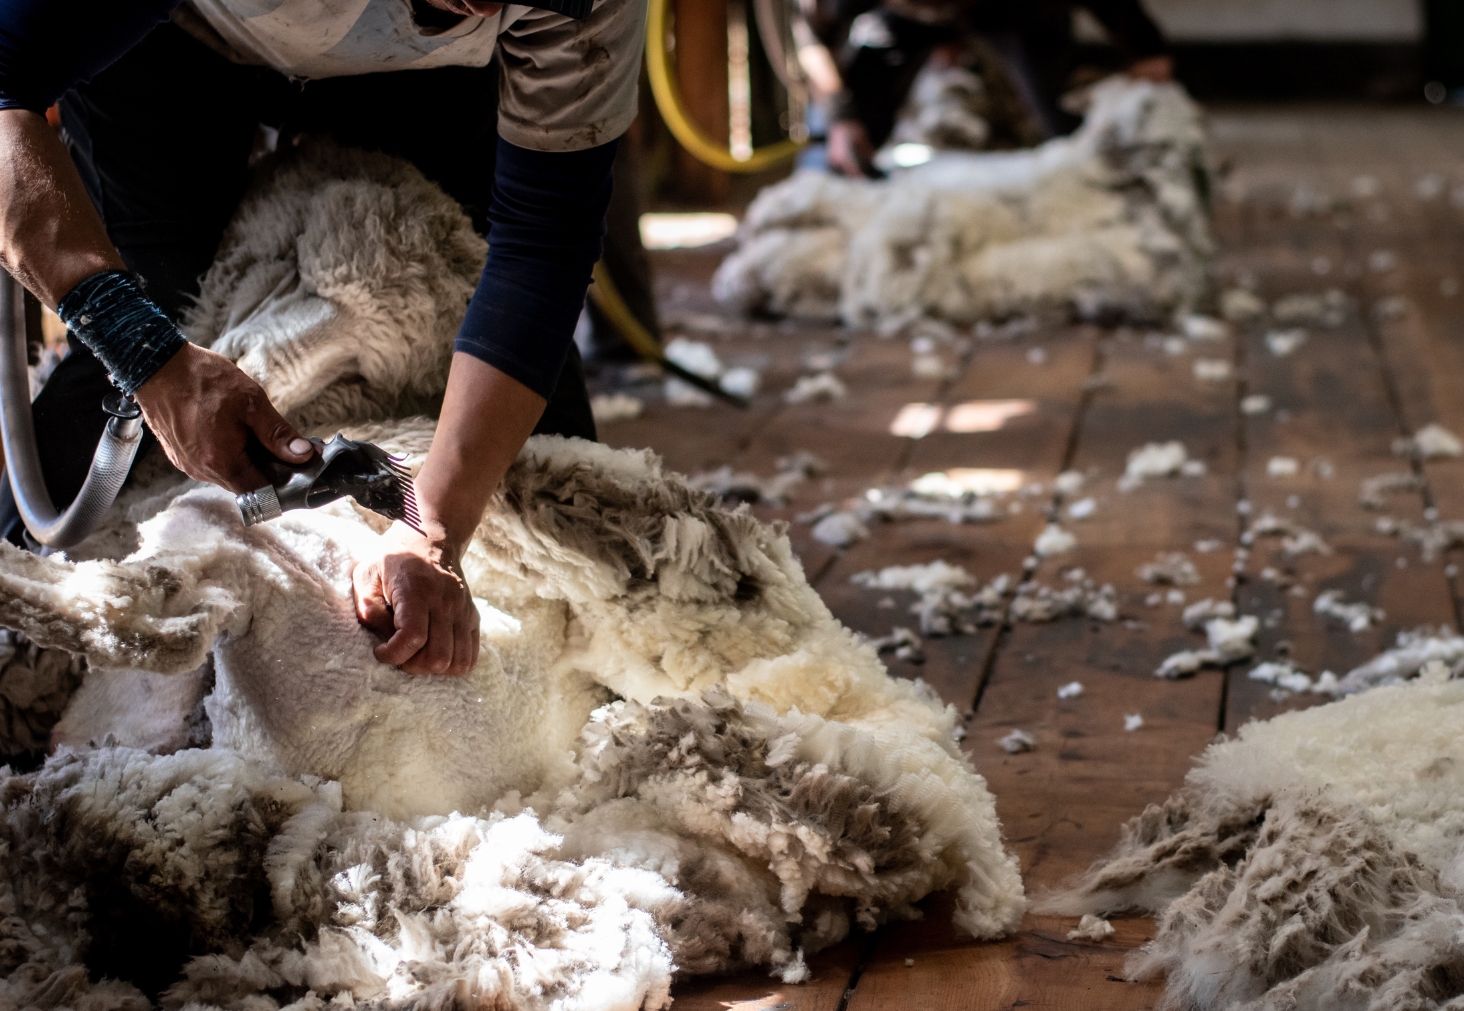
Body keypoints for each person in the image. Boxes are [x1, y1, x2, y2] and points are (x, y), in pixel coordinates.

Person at [0, 0, 646, 678]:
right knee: (159, 298)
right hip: (166, 38)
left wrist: (436, 527)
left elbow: (542, 243)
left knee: (558, 468)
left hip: (426, 60)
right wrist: (144, 353)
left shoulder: (582, 8)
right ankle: (22, 629)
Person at [798, 0, 1172, 176]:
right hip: (902, 16)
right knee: (842, 145)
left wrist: (1146, 48)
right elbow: (812, 39)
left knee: (1064, 125)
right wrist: (839, 118)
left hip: (1008, 8)